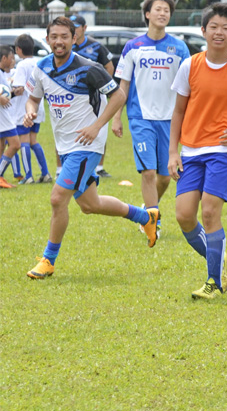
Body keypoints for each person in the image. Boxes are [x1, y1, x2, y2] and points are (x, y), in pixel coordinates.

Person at [24, 16, 160, 280]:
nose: (59, 41)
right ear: (48, 39)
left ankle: (48, 261)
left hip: (87, 145)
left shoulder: (89, 68)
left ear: (74, 38)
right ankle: (145, 217)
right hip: (65, 146)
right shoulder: (41, 68)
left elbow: (118, 95)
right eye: (54, 36)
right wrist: (30, 112)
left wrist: (97, 126)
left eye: (65, 36)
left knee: (56, 198)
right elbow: (32, 99)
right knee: (90, 204)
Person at [168, 2, 227, 300]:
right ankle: (218, 260)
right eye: (214, 27)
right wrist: (173, 152)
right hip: (191, 151)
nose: (219, 32)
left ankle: (213, 281)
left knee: (209, 211)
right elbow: (178, 112)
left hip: (223, 150)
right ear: (203, 31)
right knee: (184, 216)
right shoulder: (190, 65)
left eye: (225, 28)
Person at [113, 0, 190, 237]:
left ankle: (147, 209)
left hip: (170, 121)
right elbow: (122, 86)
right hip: (140, 118)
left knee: (166, 177)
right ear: (147, 14)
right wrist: (116, 117)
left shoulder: (179, 48)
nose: (162, 13)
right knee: (147, 172)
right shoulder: (132, 47)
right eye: (158, 9)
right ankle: (152, 221)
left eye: (166, 10)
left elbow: (189, 86)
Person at [67, 14, 114, 178]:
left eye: (77, 26)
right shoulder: (67, 46)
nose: (74, 29)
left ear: (84, 28)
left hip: (94, 95)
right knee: (67, 127)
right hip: (73, 96)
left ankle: (99, 167)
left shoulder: (95, 46)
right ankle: (62, 168)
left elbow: (109, 67)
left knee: (99, 127)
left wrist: (103, 86)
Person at [12, 34, 52, 184]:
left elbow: (19, 88)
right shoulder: (38, 62)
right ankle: (45, 173)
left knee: (24, 141)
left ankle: (28, 176)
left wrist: (10, 89)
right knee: (33, 140)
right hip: (38, 107)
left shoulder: (22, 65)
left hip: (24, 108)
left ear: (18, 49)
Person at [0, 45, 21, 189]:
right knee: (15, 144)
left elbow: (4, 96)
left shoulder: (3, 73)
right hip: (3, 117)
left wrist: (13, 93)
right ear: (4, 58)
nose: (13, 61)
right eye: (12, 58)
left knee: (1, 146)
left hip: (3, 115)